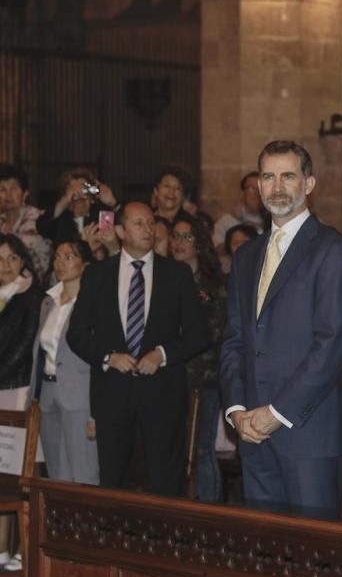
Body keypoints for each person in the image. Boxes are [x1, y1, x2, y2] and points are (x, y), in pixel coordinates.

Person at [220, 141, 342, 519]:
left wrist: (277, 413)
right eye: (268, 177)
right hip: (251, 434)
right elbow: (233, 339)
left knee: (312, 559)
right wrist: (235, 409)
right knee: (264, 555)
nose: (277, 186)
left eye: (288, 176)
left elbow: (331, 346)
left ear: (309, 184)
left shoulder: (332, 250)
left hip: (306, 435)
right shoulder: (247, 256)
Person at [67, 201, 208, 496]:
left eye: (151, 222)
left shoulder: (177, 274)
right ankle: (115, 540)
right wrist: (108, 356)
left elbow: (199, 335)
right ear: (119, 230)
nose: (149, 229)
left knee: (166, 480)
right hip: (112, 393)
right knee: (113, 480)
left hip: (163, 393)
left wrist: (162, 355)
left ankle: (167, 540)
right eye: (139, 223)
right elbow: (76, 334)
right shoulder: (97, 275)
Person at [33, 239, 99, 485]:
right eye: (57, 257)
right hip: (49, 393)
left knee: (84, 473)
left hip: (80, 395)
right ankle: (59, 524)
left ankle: (87, 524)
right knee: (56, 475)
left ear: (84, 265)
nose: (60, 262)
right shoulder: (47, 302)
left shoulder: (93, 305)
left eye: (69, 257)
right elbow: (40, 355)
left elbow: (97, 361)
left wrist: (95, 414)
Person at [171, 218, 227, 502]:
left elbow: (216, 332)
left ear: (199, 244)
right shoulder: (166, 278)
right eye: (175, 236)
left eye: (187, 237)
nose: (179, 242)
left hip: (204, 380)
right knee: (175, 449)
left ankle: (210, 513)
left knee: (202, 449)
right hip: (171, 378)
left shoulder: (213, 286)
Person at [0, 235, 43, 410]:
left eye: (13, 258)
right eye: (0, 259)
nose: (6, 265)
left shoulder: (33, 296)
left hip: (15, 383)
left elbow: (26, 343)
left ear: (22, 262)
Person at [36, 168, 118, 246]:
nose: (79, 197)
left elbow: (123, 227)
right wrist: (65, 201)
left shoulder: (101, 216)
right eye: (73, 191)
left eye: (85, 189)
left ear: (92, 198)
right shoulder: (60, 220)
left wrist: (113, 203)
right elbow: (42, 227)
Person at [0, 164, 50, 276]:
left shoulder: (38, 218)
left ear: (25, 194)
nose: (8, 195)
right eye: (3, 189)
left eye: (13, 189)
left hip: (34, 283)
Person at [213, 171, 266, 248]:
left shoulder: (275, 221)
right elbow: (216, 249)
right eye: (251, 188)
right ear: (242, 193)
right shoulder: (227, 221)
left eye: (261, 188)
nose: (257, 193)